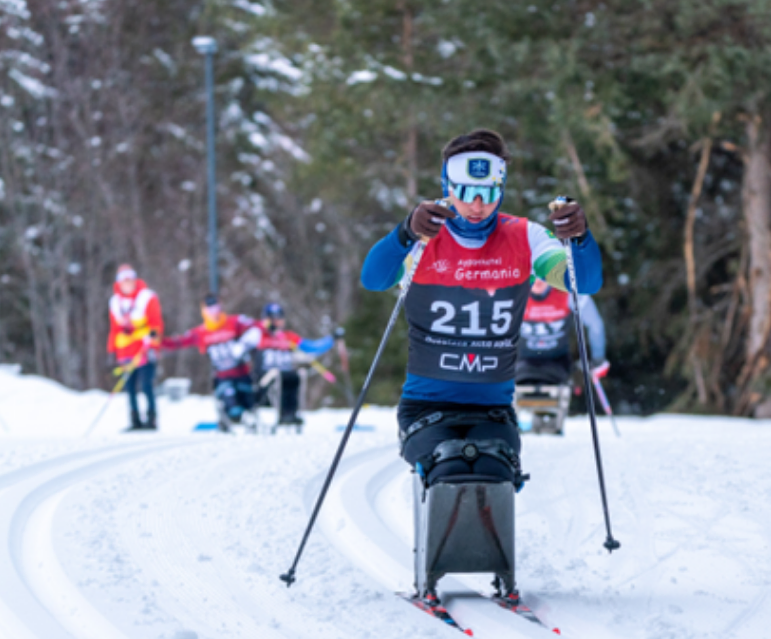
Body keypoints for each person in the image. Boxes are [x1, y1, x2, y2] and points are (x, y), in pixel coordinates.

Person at [361, 127, 603, 495]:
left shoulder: (525, 236)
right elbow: (374, 279)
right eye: (466, 193)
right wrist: (404, 234)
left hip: (493, 410)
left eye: (489, 194)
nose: (477, 205)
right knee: (447, 470)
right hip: (426, 406)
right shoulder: (426, 234)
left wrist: (580, 239)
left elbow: (581, 282)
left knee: (494, 472)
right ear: (447, 186)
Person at [162, 294, 262, 427]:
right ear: (204, 312)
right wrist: (158, 341)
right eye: (210, 310)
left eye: (216, 308)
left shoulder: (235, 322)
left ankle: (248, 421)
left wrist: (243, 345)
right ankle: (232, 419)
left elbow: (258, 327)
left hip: (242, 374)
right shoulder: (201, 332)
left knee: (249, 402)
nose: (214, 313)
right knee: (230, 400)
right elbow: (180, 341)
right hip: (222, 377)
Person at [516, 277, 608, 386]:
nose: (537, 280)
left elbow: (594, 324)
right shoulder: (513, 294)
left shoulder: (568, 292)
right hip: (522, 364)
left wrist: (598, 359)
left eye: (541, 273)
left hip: (559, 364)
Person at [255, 302, 334, 425]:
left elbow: (311, 347)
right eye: (274, 319)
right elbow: (250, 329)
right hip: (265, 377)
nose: (279, 322)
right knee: (279, 376)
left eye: (280, 318)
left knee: (296, 376)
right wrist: (267, 328)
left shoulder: (288, 337)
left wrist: (332, 339)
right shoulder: (259, 335)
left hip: (286, 375)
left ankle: (290, 414)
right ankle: (281, 412)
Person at [107, 264, 163, 430]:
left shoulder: (147, 297)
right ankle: (134, 419)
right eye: (124, 281)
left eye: (130, 280)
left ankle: (151, 418)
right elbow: (114, 328)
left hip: (144, 350)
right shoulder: (115, 302)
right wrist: (111, 350)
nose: (127, 284)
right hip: (125, 351)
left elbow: (156, 323)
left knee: (146, 385)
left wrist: (153, 340)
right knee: (129, 387)